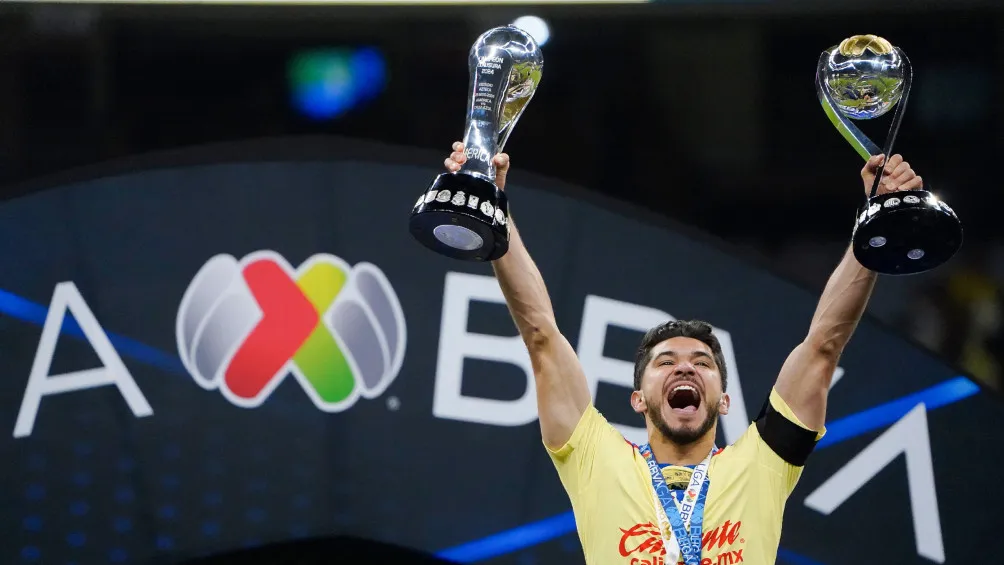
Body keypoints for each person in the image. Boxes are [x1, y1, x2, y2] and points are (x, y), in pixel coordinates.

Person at [441, 143, 924, 565]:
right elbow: (541, 336)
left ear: (725, 400)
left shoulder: (761, 464)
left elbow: (823, 346)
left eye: (703, 364)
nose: (686, 367)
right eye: (665, 362)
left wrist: (875, 223)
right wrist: (493, 206)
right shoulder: (596, 459)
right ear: (637, 398)